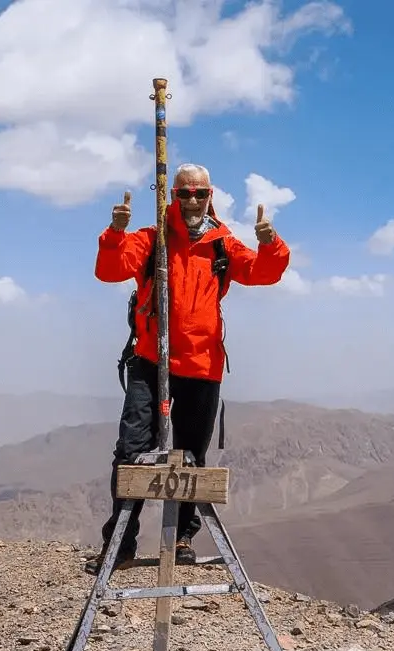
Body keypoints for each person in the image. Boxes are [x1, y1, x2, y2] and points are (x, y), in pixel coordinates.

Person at [84, 163, 291, 574]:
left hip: (202, 364)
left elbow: (263, 273)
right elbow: (109, 270)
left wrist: (270, 244)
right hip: (151, 359)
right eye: (184, 193)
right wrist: (115, 234)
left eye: (200, 193)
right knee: (131, 450)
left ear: (210, 195)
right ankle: (120, 544)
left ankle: (182, 537)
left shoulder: (221, 243)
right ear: (172, 195)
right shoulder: (153, 238)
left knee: (192, 454)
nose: (192, 200)